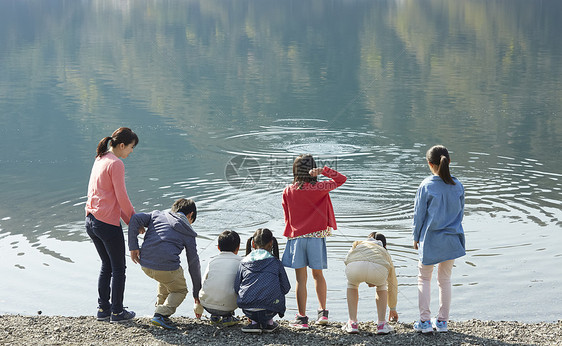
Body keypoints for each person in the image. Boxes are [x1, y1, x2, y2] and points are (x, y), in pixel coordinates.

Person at [281, 154, 347, 329]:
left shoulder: (288, 190)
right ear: (312, 170)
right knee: (318, 275)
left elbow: (287, 217)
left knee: (300, 280)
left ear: (294, 171)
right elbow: (342, 179)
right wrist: (325, 170)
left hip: (297, 239)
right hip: (316, 238)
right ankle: (322, 313)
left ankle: (302, 318)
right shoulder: (320, 187)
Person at [85, 127, 139, 323]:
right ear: (122, 145)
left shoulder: (101, 157)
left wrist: (128, 219)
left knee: (106, 265)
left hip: (91, 220)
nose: (131, 151)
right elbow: (122, 197)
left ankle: (103, 309)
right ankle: (117, 312)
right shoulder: (116, 164)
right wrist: (133, 221)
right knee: (118, 268)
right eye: (131, 147)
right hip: (106, 223)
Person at [412, 145, 466, 333]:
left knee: (424, 278)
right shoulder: (458, 185)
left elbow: (418, 216)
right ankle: (442, 322)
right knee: (445, 280)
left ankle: (425, 322)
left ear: (429, 164)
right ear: (449, 162)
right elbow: (460, 214)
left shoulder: (426, 185)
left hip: (431, 239)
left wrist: (415, 237)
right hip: (452, 239)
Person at [128, 198, 202, 330]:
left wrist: (133, 246)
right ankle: (160, 314)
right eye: (192, 221)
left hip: (145, 264)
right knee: (180, 290)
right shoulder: (188, 232)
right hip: (166, 269)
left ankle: (160, 306)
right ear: (190, 215)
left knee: (166, 279)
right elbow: (194, 264)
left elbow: (134, 219)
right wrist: (197, 292)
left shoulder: (156, 215)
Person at [234, 228, 291, 334]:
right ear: (271, 243)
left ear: (253, 244)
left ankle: (254, 323)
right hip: (271, 310)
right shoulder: (276, 262)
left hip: (248, 309)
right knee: (274, 295)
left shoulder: (243, 262)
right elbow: (286, 287)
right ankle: (269, 322)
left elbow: (237, 287)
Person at [343, 232, 398, 335]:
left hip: (354, 267)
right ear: (385, 246)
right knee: (382, 286)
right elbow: (392, 282)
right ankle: (381, 324)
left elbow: (347, 260)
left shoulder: (359, 244)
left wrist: (361, 275)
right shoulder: (384, 252)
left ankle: (352, 322)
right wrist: (392, 308)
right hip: (378, 270)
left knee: (352, 284)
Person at [198, 230, 242, 326]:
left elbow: (204, 281)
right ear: (238, 247)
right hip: (228, 306)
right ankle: (228, 317)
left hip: (206, 304)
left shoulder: (212, 261)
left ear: (218, 247)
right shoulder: (241, 262)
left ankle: (214, 316)